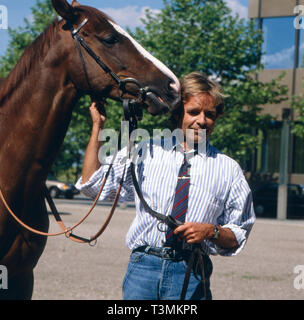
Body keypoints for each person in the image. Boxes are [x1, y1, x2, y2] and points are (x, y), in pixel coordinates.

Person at [76, 71, 255, 300]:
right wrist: (98, 127)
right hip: (143, 270)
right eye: (193, 112)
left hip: (191, 272)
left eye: (209, 114)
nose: (201, 120)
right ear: (178, 112)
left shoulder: (229, 170)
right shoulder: (145, 151)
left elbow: (238, 234)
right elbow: (93, 185)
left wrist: (212, 231)